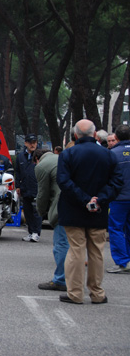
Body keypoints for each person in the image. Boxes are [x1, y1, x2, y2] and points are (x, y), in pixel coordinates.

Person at [57, 119, 122, 304]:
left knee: (76, 251)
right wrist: (98, 199)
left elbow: (64, 182)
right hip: (99, 211)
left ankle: (75, 293)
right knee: (97, 252)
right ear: (95, 135)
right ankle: (97, 293)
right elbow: (117, 183)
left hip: (73, 209)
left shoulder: (68, 154)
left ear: (75, 135)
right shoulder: (108, 155)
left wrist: (85, 199)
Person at [34, 149, 68, 291]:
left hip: (62, 208)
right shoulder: (63, 159)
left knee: (61, 244)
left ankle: (61, 279)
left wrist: (41, 211)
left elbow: (43, 193)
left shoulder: (41, 166)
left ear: (37, 158)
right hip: (82, 205)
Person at [107, 124, 130, 273]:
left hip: (119, 198)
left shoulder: (113, 154)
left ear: (116, 137)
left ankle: (122, 262)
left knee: (115, 229)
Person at [15, 133, 41, 242]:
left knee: (36, 211)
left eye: (34, 142)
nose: (32, 145)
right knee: (27, 211)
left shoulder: (40, 155)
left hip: (36, 187)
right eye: (30, 143)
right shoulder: (21, 156)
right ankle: (31, 232)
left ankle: (36, 232)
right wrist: (18, 186)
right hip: (25, 187)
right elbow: (18, 171)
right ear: (25, 143)